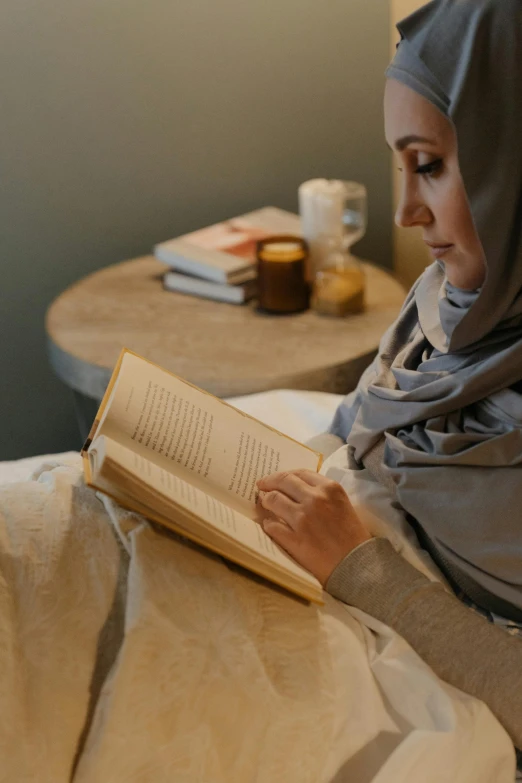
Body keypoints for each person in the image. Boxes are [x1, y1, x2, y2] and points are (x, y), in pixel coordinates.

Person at [255, 0, 522, 768]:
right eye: (402, 165)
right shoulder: (454, 296)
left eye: (430, 166)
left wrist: (361, 571)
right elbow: (358, 419)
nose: (406, 212)